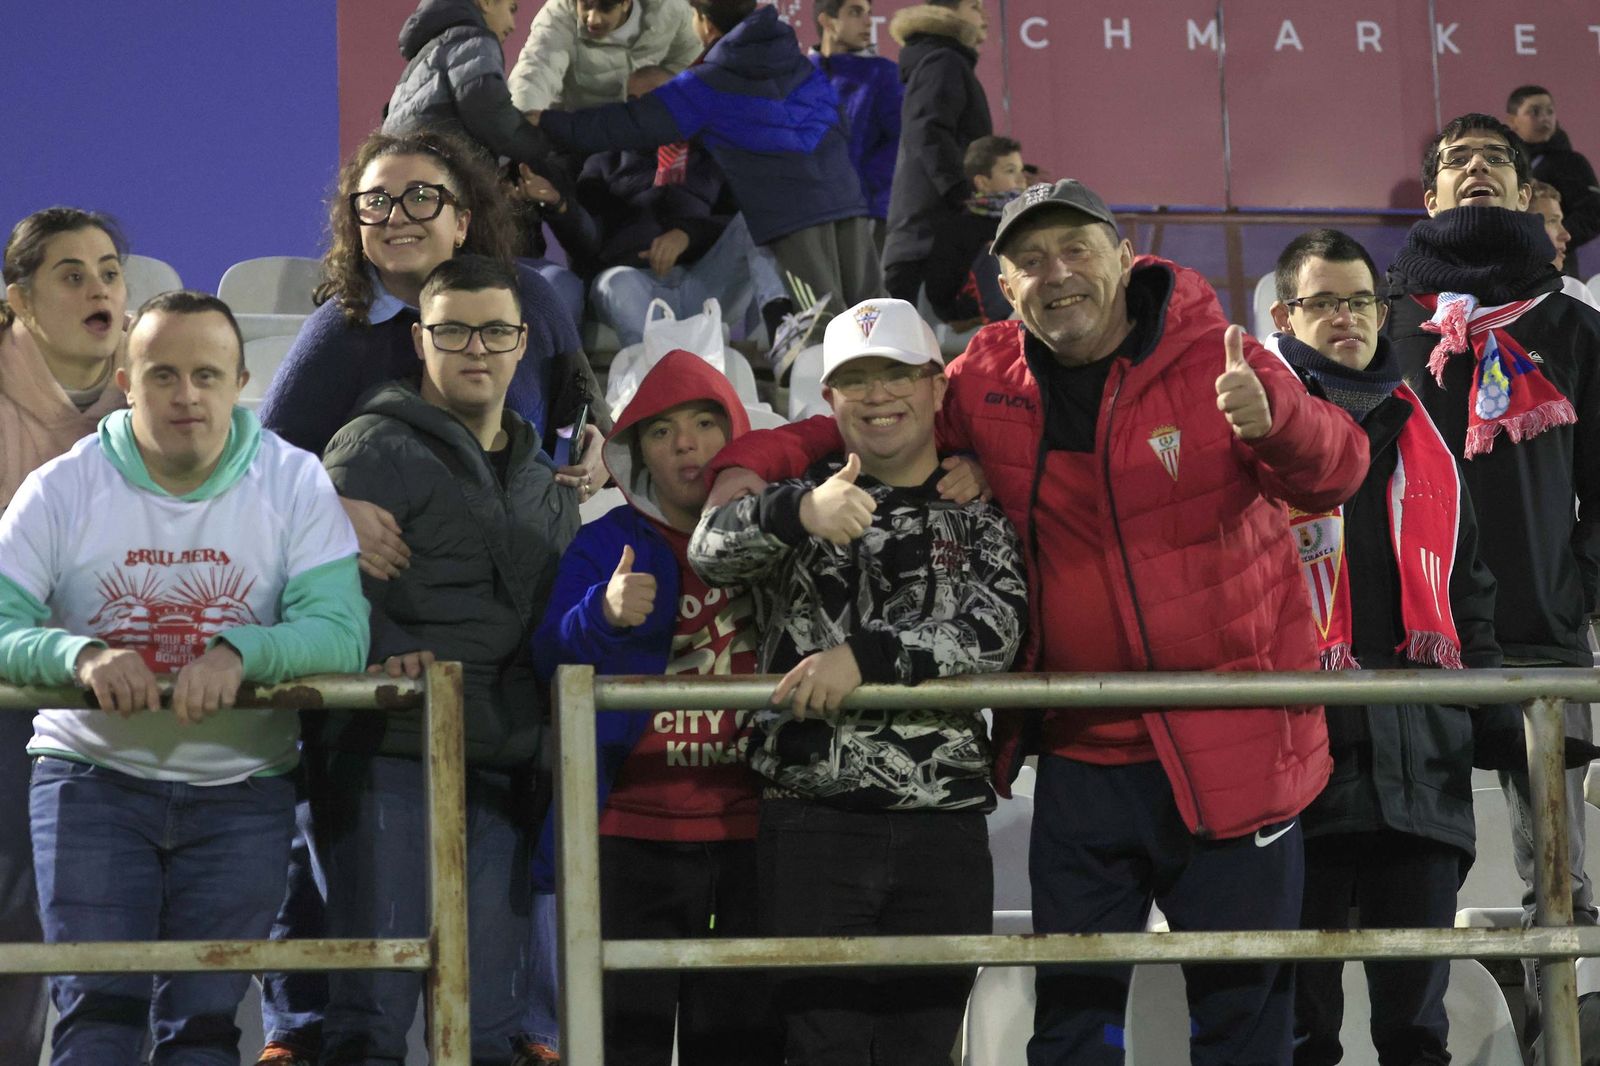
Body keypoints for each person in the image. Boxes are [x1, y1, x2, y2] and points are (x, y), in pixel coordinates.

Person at [703, 180, 1370, 1065]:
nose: (1056, 275)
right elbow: (854, 422)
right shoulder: (984, 375)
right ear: (1005, 286)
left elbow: (1337, 470)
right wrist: (742, 471)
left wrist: (1278, 419)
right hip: (1086, 752)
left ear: (1124, 258)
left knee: (1244, 1020)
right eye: (1029, 260)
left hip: (1238, 740)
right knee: (1072, 1027)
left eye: (1075, 250)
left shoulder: (1226, 353)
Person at [0, 290, 368, 1064]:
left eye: (207, 374)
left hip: (242, 791)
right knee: (96, 1018)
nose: (186, 394)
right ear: (127, 381)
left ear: (241, 383)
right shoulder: (61, 487)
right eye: (162, 374)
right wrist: (81, 657)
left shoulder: (294, 482)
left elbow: (342, 630)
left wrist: (241, 655)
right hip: (91, 781)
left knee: (203, 1028)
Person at [688, 297, 1028, 1065]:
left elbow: (998, 630)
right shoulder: (799, 500)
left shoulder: (975, 509)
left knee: (924, 1042)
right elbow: (710, 552)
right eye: (856, 380)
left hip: (942, 822)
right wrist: (800, 511)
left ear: (938, 388)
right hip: (811, 820)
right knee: (819, 1043)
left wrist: (866, 661)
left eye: (898, 375)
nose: (879, 396)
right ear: (830, 399)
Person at [315, 256, 578, 1064]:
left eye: (496, 330)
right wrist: (387, 650)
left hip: (503, 764)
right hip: (388, 756)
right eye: (454, 330)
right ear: (421, 340)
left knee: (493, 1024)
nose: (477, 348)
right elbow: (317, 588)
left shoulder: (544, 476)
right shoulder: (367, 447)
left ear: (523, 341)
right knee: (373, 1008)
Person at [1267, 228, 1515, 1066]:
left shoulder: (1427, 437)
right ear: (1283, 314)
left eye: (1362, 301)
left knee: (1416, 1035)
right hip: (1295, 776)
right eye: (1323, 301)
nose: (1347, 318)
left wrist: (1488, 719)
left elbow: (1470, 595)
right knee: (1302, 1035)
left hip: (1422, 775)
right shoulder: (1254, 435)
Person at [1386, 111, 1600, 1048]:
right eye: (1455, 162)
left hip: (1540, 632)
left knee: (1557, 880)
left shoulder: (1575, 326)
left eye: (1496, 162)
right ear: (1429, 198)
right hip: (1411, 637)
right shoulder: (1388, 324)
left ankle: (1564, 1034)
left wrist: (1573, 585)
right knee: (1415, 868)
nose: (1477, 170)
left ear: (1527, 195)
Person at [532, 348, 780, 1064]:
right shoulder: (605, 544)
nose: (687, 444)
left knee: (740, 1043)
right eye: (663, 430)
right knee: (622, 1041)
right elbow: (547, 658)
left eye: (706, 422)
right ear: (635, 450)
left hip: (752, 835)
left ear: (734, 433)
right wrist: (600, 614)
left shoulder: (773, 538)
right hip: (628, 833)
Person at [530, 0, 883, 380]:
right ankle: (658, 380)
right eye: (631, 96)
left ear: (703, 23)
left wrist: (545, 121)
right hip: (842, 203)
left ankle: (796, 347)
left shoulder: (709, 93)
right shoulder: (797, 63)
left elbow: (630, 122)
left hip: (756, 244)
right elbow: (838, 119)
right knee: (867, 327)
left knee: (830, 337)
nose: (641, 104)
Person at [0, 206, 130, 1066]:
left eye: (111, 271)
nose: (99, 289)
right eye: (72, 274)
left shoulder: (157, 390)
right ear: (19, 300)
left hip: (111, 702)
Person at [575, 67, 791, 348]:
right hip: (634, 282)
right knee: (615, 283)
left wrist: (688, 234)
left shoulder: (716, 155)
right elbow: (583, 237)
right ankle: (654, 377)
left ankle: (782, 326)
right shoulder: (605, 160)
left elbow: (736, 218)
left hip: (704, 283)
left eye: (650, 99)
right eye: (631, 101)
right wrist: (558, 205)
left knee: (760, 216)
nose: (638, 109)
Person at [881, 0, 992, 304]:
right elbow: (928, 130)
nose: (984, 17)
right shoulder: (944, 61)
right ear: (948, 13)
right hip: (931, 234)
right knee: (912, 342)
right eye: (974, 7)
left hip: (927, 231)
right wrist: (960, 191)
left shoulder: (943, 61)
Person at [383, 0, 557, 179]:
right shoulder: (474, 40)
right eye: (511, 9)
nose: (513, 25)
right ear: (487, 3)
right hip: (441, 172)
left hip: (400, 171)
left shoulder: (427, 55)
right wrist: (540, 147)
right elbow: (487, 108)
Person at [810, 0, 902, 240]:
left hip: (867, 214)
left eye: (869, 13)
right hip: (807, 217)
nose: (868, 21)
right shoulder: (798, 76)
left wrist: (857, 184)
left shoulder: (884, 74)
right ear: (826, 20)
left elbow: (902, 142)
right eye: (855, 12)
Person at [509, 0, 702, 114]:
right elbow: (536, 69)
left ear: (626, 3)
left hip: (644, 133)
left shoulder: (669, 9)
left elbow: (690, 63)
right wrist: (522, 123)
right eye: (586, 4)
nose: (593, 18)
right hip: (577, 133)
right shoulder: (559, 14)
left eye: (605, 8)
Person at [923, 134, 1027, 329]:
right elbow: (940, 292)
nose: (1022, 179)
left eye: (1021, 170)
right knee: (995, 252)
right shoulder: (959, 227)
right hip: (978, 314)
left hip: (1022, 304)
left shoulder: (1027, 219)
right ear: (983, 182)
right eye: (1010, 171)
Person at [1506, 85, 1600, 277]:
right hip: (1513, 268)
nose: (1545, 118)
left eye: (1550, 111)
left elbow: (1593, 215)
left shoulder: (1573, 162)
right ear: (1512, 120)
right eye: (1534, 112)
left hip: (1559, 269)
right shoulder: (1505, 163)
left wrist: (1553, 237)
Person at [1530, 179, 1573, 272]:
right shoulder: (1493, 285)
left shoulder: (1575, 286)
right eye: (1552, 221)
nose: (1566, 236)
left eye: (1560, 222)